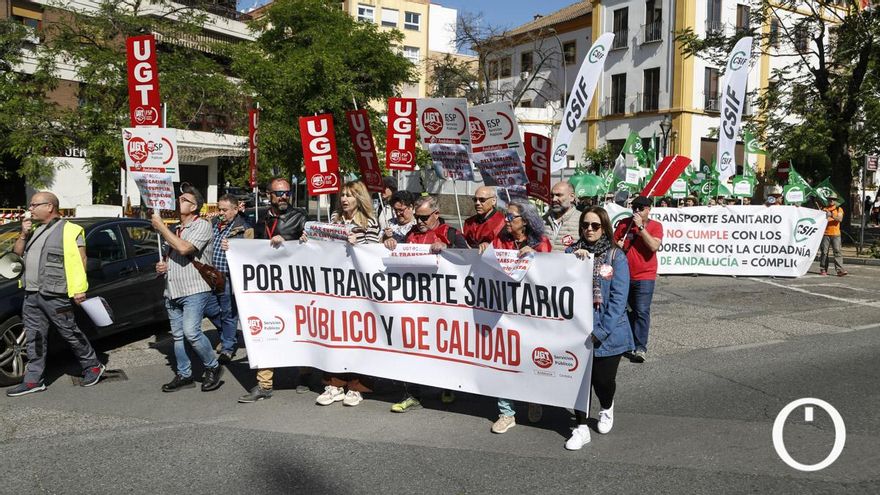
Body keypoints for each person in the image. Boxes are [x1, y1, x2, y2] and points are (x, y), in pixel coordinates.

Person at [6, 192, 105, 396]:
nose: (30, 209)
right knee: (34, 337)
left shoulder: (71, 230)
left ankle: (93, 366)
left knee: (70, 332)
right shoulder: (34, 231)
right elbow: (16, 255)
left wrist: (79, 289)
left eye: (34, 205)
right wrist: (23, 234)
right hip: (31, 293)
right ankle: (33, 380)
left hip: (55, 293)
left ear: (50, 207)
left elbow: (81, 260)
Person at [383, 195, 467, 412]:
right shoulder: (411, 234)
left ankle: (447, 387)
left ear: (436, 214)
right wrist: (390, 243)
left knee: (443, 345)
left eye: (424, 217)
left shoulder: (450, 233)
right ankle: (412, 394)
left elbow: (469, 259)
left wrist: (448, 248)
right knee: (411, 345)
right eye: (417, 217)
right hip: (415, 304)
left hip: (443, 305)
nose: (419, 222)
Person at [478, 200, 551, 433]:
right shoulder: (501, 239)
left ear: (525, 221)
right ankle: (506, 412)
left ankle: (533, 399)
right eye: (506, 216)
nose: (506, 221)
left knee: (529, 359)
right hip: (503, 312)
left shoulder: (541, 243)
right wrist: (485, 247)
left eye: (511, 217)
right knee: (503, 361)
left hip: (531, 313)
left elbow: (551, 274)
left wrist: (537, 256)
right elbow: (489, 263)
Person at [564, 206, 634, 450]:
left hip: (608, 331)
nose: (589, 229)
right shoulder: (572, 253)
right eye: (585, 225)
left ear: (604, 228)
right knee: (578, 381)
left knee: (602, 381)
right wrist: (574, 261)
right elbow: (556, 278)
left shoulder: (616, 257)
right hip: (578, 329)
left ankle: (606, 405)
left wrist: (602, 331)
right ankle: (581, 427)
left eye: (595, 225)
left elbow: (618, 300)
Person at [238, 178, 307, 403]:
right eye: (279, 193)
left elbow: (311, 246)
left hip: (294, 287)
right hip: (267, 287)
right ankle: (264, 384)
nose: (284, 197)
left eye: (287, 192)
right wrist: (235, 247)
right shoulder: (262, 219)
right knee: (266, 331)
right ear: (269, 195)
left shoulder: (300, 217)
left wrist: (287, 240)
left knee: (299, 331)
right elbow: (254, 250)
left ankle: (305, 375)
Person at [313, 181, 380, 407]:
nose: (344, 199)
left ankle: (356, 386)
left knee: (358, 336)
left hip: (359, 289)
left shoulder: (370, 223)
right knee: (335, 335)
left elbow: (374, 254)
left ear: (359, 198)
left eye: (349, 195)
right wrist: (308, 241)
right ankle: (334, 384)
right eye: (342, 195)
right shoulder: (334, 221)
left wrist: (359, 244)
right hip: (335, 288)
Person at [152, 185, 223, 392]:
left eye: (184, 200)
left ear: (194, 207)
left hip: (194, 289)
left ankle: (213, 366)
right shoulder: (175, 228)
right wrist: (163, 266)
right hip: (172, 290)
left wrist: (161, 227)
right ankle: (184, 375)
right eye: (179, 198)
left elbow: (184, 248)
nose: (179, 201)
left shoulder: (202, 225)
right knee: (178, 336)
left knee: (191, 332)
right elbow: (172, 256)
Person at [613, 196, 662, 363]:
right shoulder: (623, 224)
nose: (637, 211)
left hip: (644, 275)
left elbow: (654, 246)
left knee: (641, 311)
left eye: (641, 208)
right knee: (622, 310)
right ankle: (626, 342)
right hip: (623, 274)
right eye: (634, 208)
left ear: (649, 209)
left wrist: (640, 227)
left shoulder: (655, 226)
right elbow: (612, 245)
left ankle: (640, 347)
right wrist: (617, 246)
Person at [207, 194, 253, 363]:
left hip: (228, 277)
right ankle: (229, 334)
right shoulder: (214, 223)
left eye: (224, 210)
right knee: (208, 308)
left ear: (235, 210)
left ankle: (227, 348)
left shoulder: (244, 227)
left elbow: (250, 252)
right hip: (211, 275)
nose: (221, 213)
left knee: (228, 312)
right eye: (219, 209)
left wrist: (235, 246)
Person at [543, 181, 581, 252]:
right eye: (552, 196)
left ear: (571, 197)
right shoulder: (542, 221)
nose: (554, 199)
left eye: (559, 195)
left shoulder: (582, 220)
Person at [819, 194, 847, 277]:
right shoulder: (824, 209)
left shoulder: (839, 209)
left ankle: (839, 270)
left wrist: (831, 215)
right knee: (824, 252)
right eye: (830, 199)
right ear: (828, 200)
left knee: (837, 252)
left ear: (835, 200)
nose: (831, 200)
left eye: (833, 199)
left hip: (836, 234)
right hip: (825, 234)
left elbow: (840, 219)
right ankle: (823, 269)